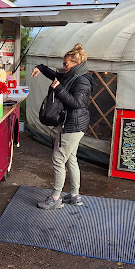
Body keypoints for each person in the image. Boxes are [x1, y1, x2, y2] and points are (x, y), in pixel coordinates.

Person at [30, 43, 95, 210]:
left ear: (76, 63)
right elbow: (55, 74)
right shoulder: (72, 75)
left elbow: (77, 103)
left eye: (66, 64)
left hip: (73, 125)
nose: (63, 67)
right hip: (72, 123)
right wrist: (40, 67)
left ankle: (56, 198)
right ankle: (74, 196)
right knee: (71, 158)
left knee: (58, 159)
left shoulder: (82, 80)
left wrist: (58, 89)